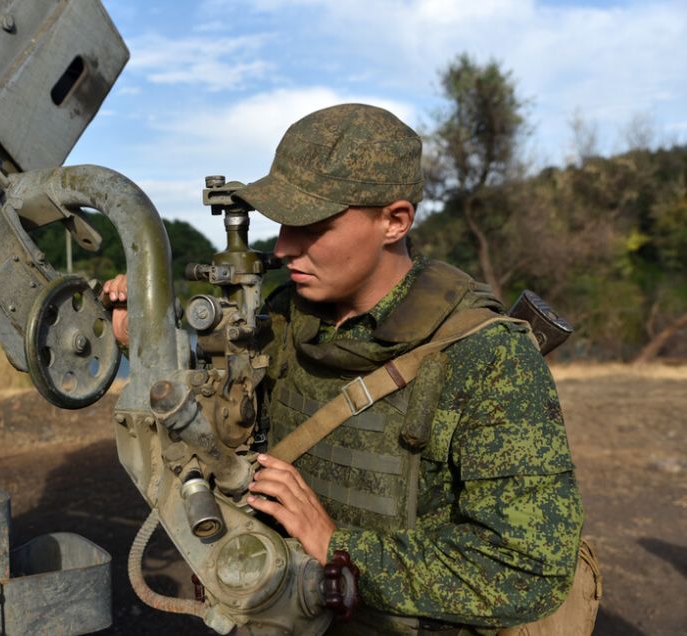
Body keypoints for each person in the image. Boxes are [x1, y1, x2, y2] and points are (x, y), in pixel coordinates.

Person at [104, 104, 587, 635]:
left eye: (312, 225)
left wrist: (337, 546)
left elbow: (526, 571)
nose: (284, 248)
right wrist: (146, 337)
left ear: (395, 220)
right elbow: (222, 406)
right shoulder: (289, 317)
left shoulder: (487, 359)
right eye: (284, 222)